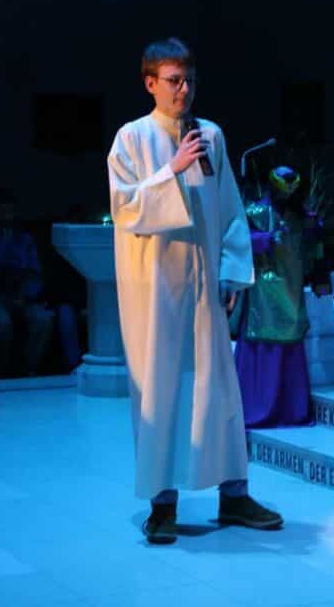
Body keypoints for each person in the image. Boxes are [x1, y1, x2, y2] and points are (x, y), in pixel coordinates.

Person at [106, 37, 282, 544]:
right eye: (173, 81)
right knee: (161, 389)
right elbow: (126, 208)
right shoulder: (131, 138)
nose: (183, 90)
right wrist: (172, 170)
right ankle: (162, 504)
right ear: (150, 83)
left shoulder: (211, 135)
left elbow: (228, 209)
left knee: (217, 388)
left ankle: (234, 495)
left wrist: (230, 272)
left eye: (189, 81)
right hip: (155, 291)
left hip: (205, 286)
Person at [233, 166, 320, 428]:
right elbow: (238, 241)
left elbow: (313, 247)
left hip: (291, 289)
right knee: (264, 340)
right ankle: (259, 409)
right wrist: (266, 240)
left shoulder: (301, 216)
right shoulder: (255, 212)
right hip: (264, 291)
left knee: (290, 339)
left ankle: (291, 410)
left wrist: (319, 274)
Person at [0, 188, 53, 377]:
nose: (7, 215)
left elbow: (35, 272)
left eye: (11, 210)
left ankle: (29, 371)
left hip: (19, 296)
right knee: (2, 323)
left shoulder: (25, 238)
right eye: (3, 210)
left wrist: (26, 295)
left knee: (43, 319)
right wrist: (1, 247)